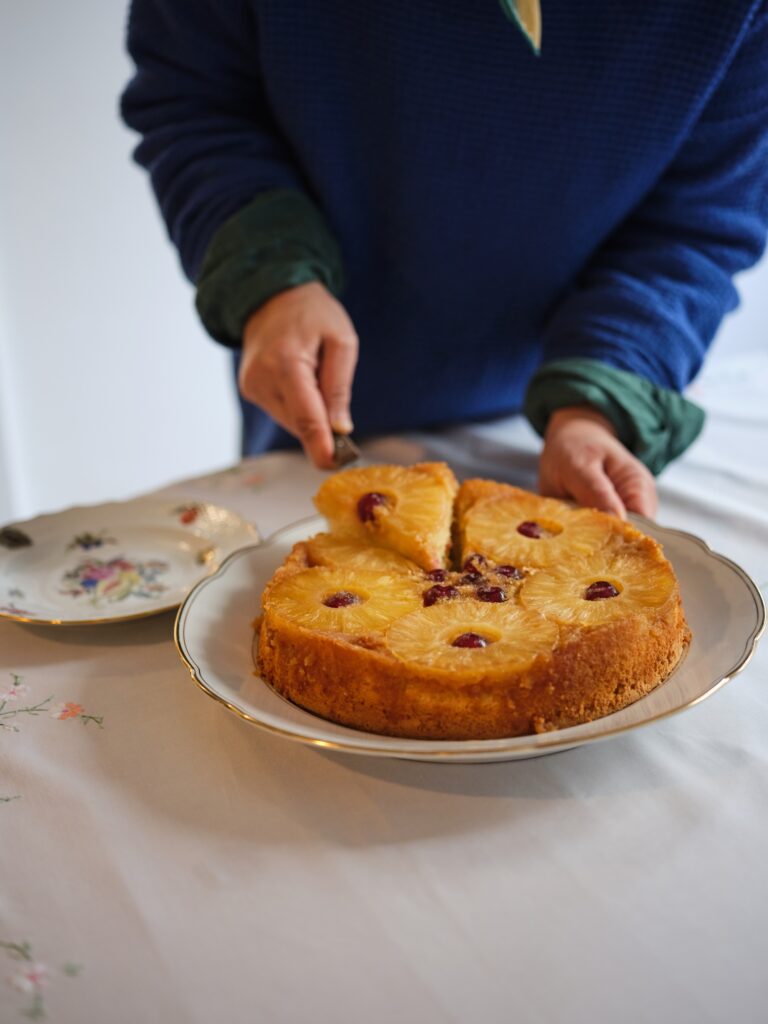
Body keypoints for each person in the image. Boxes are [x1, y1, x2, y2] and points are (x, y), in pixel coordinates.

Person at [121, 1, 768, 519]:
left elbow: (698, 218)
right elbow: (196, 101)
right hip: (315, 391)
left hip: (579, 406)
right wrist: (271, 280)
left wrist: (599, 404)